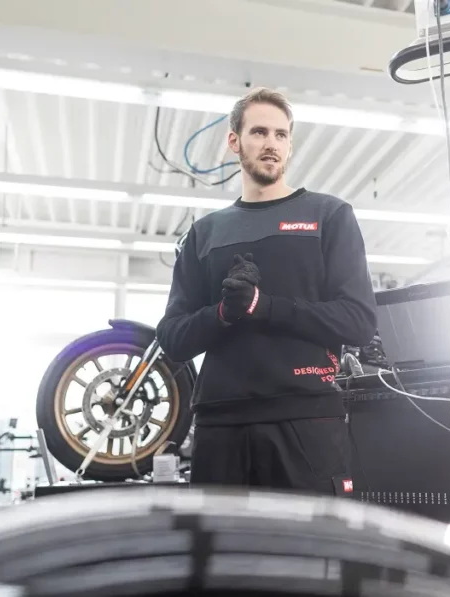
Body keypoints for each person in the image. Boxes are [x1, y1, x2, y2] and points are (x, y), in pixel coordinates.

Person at [155, 87, 378, 495]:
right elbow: (171, 337)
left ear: (290, 145)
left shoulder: (329, 216)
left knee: (308, 556)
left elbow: (359, 321)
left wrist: (265, 307)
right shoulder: (205, 234)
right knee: (221, 557)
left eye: (281, 135)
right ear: (234, 141)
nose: (271, 144)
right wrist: (224, 314)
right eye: (259, 132)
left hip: (305, 421)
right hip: (220, 425)